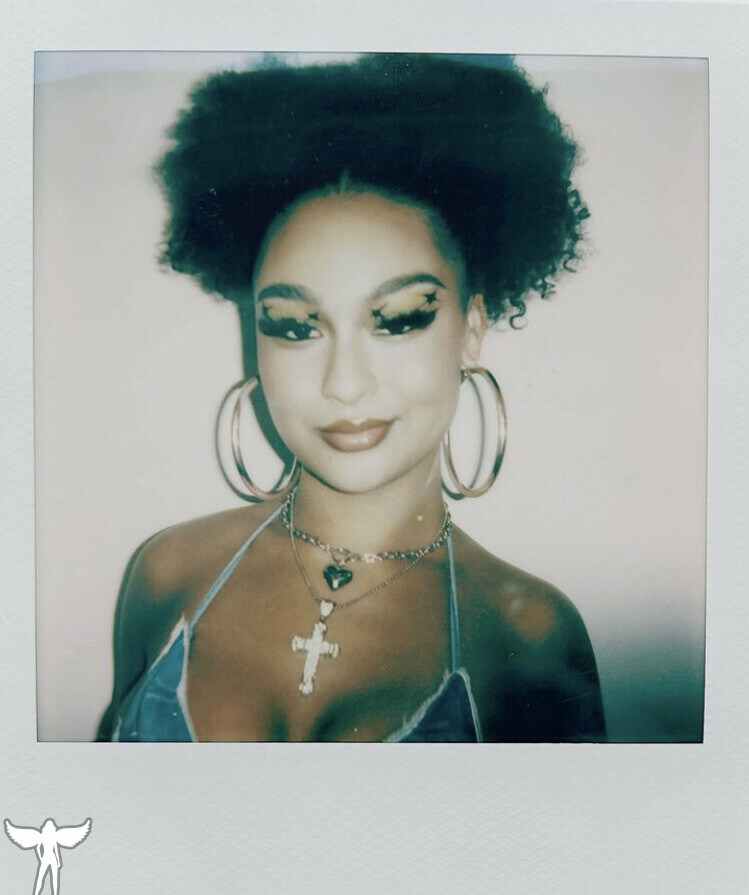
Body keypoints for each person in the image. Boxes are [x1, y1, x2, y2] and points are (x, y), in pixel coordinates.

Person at [97, 53, 606, 742]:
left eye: (398, 319)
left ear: (472, 329)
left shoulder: (530, 637)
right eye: (295, 326)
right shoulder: (166, 574)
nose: (344, 383)